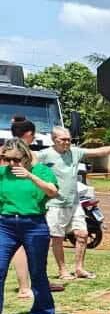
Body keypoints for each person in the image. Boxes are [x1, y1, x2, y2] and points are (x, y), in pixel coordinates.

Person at [38, 127, 110, 280]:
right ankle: (63, 271)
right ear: (54, 139)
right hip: (55, 204)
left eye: (69, 139)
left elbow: (98, 152)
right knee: (57, 238)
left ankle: (79, 268)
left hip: (74, 203)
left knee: (82, 234)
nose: (67, 142)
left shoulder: (75, 152)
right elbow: (26, 160)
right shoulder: (44, 154)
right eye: (63, 139)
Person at [0, 139, 61, 314]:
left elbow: (53, 192)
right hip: (5, 225)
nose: (12, 164)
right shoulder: (2, 173)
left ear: (26, 156)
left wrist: (30, 176)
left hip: (34, 224)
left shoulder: (41, 171)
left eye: (16, 159)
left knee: (37, 271)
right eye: (7, 159)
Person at [8, 116, 64, 299]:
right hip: (23, 214)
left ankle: (32, 286)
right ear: (29, 134)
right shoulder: (29, 155)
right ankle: (26, 287)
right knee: (25, 251)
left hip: (18, 212)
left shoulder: (5, 150)